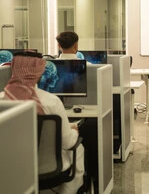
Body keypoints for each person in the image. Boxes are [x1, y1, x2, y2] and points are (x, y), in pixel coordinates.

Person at [0, 51, 85, 194]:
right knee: (78, 147)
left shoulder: (2, 100)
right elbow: (68, 143)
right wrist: (74, 131)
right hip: (46, 169)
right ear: (39, 73)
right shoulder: (51, 102)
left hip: (8, 169)